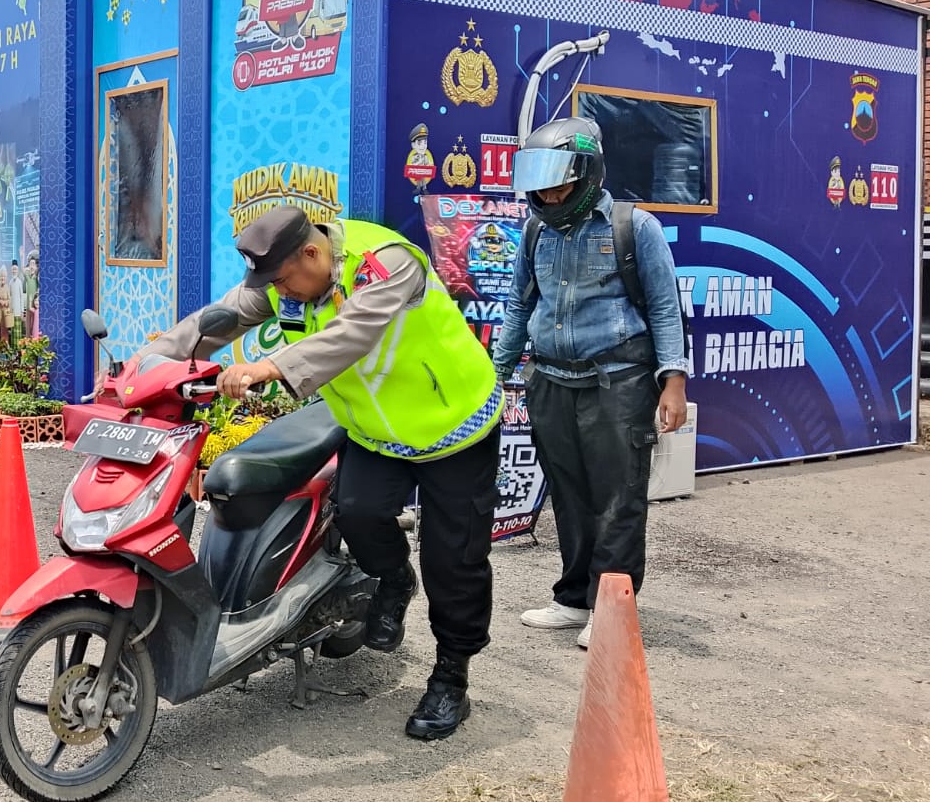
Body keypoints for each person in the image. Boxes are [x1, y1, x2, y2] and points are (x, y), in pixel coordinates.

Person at [134, 204, 503, 740]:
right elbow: (226, 314)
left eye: (284, 281)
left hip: (455, 427)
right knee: (358, 513)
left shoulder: (387, 264)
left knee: (455, 559)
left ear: (312, 252)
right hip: (377, 432)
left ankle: (451, 676)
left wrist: (271, 367)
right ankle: (395, 580)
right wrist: (149, 365)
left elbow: (353, 334)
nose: (280, 293)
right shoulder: (287, 276)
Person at [491, 117, 689, 650]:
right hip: (551, 381)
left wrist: (673, 382)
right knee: (570, 495)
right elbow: (519, 304)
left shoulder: (633, 227)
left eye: (559, 180)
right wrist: (496, 371)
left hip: (618, 382)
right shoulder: (536, 230)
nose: (549, 191)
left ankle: (613, 609)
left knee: (618, 499)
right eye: (541, 181)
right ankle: (574, 600)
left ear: (587, 172)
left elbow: (666, 310)